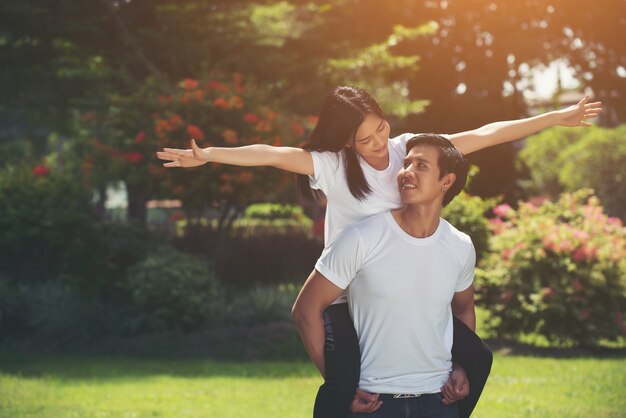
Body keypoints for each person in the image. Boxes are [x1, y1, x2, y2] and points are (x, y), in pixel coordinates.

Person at [156, 86, 602, 417]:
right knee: (345, 387)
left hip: (408, 294)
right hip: (348, 302)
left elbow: (486, 134)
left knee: (477, 357)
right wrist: (210, 154)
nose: (376, 144)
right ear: (346, 139)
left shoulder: (409, 152)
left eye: (380, 129)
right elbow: (273, 154)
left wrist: (555, 116)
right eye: (364, 138)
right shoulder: (331, 166)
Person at [293, 133, 475, 417]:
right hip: (373, 403)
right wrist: (341, 385)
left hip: (439, 401)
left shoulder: (460, 246)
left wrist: (462, 365)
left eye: (421, 166)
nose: (406, 172)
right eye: (406, 163)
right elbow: (306, 309)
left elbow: (464, 310)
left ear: (447, 181)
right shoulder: (361, 238)